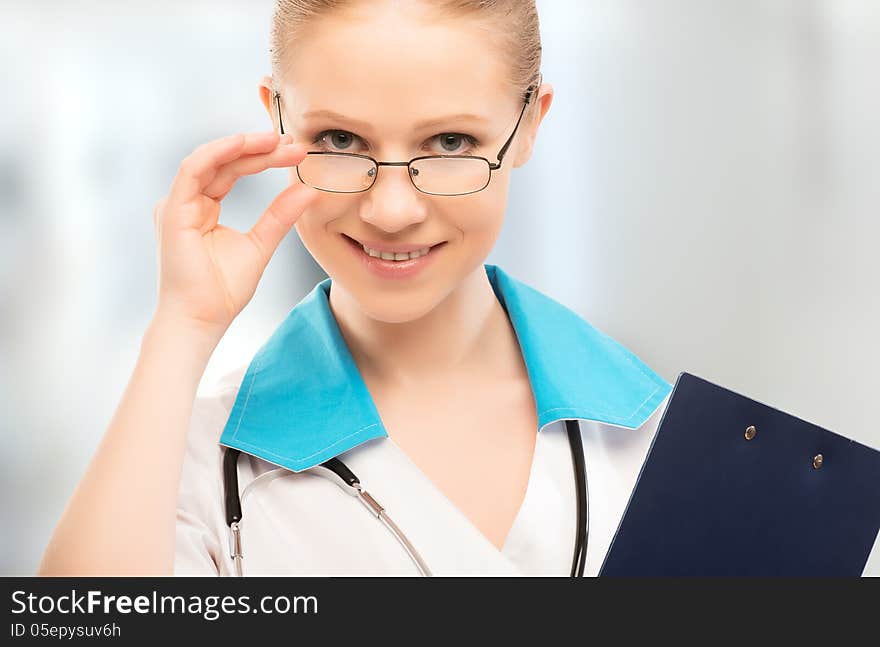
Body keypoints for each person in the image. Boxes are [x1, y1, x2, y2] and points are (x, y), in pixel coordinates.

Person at [38, 0, 671, 577]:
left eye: (451, 142)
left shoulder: (665, 440)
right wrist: (183, 326)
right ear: (276, 117)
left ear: (529, 124)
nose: (391, 211)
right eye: (339, 140)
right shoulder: (191, 470)